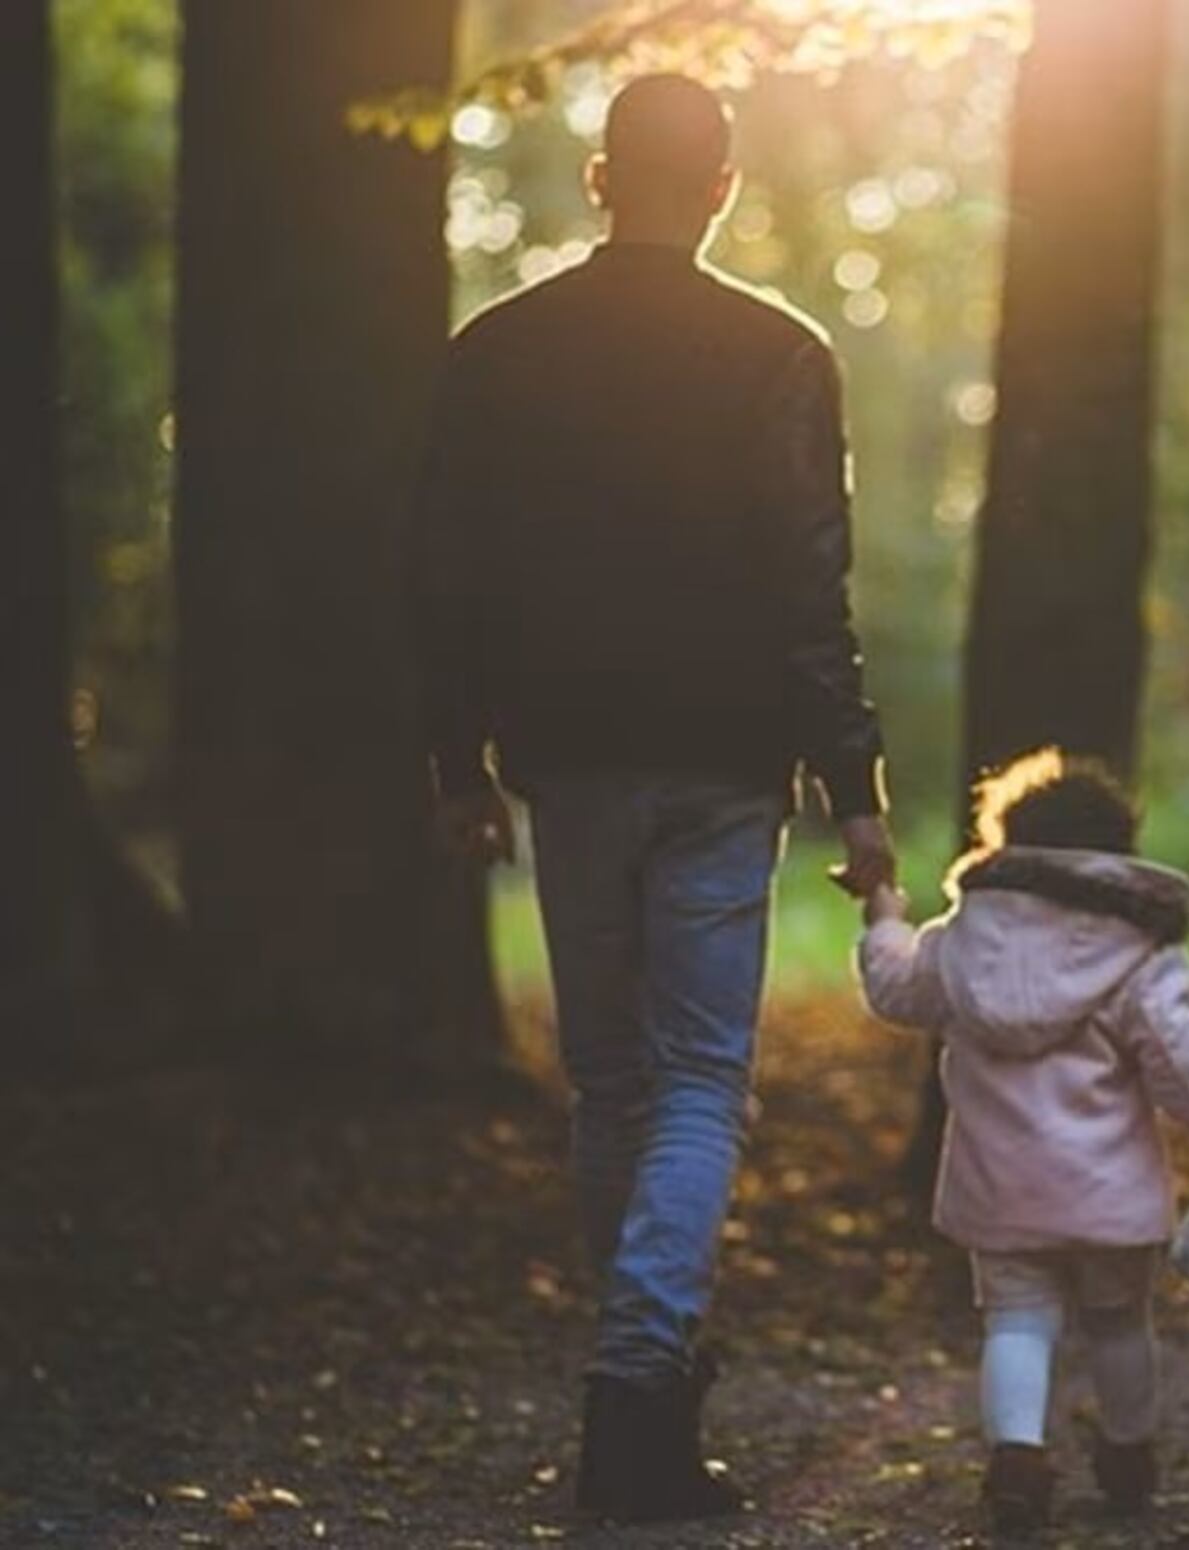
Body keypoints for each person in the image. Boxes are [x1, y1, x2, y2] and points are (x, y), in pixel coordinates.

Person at [415, 73, 895, 1522]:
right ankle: (638, 1391)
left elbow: (445, 573)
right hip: (724, 761)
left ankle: (648, 1385)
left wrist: (456, 761)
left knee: (615, 1082)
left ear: (601, 179)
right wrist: (856, 783)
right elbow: (815, 581)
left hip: (565, 760)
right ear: (726, 183)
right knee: (695, 1081)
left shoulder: (500, 350)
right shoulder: (779, 354)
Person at [856, 750, 1189, 1533]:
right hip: (1108, 1194)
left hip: (998, 1186)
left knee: (1015, 1321)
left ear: (1008, 841)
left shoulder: (963, 938)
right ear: (1119, 851)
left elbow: (895, 988)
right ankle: (1128, 1453)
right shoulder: (1138, 949)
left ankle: (1017, 1461)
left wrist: (883, 919)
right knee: (1119, 1321)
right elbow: (1183, 1061)